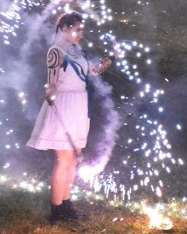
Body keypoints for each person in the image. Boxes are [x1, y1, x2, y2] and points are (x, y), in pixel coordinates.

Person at [27, 12, 118, 224]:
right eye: (77, 29)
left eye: (82, 30)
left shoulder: (78, 51)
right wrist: (51, 95)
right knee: (64, 160)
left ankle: (66, 204)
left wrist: (112, 58)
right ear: (65, 28)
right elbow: (52, 82)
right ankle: (56, 211)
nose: (81, 34)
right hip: (64, 105)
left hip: (79, 106)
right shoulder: (56, 51)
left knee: (73, 160)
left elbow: (93, 71)